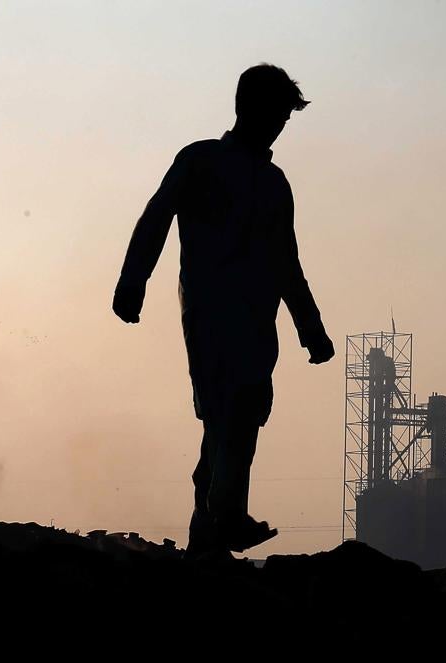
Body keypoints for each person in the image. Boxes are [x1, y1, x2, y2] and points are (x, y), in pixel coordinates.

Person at [112, 64, 334, 559]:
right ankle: (227, 515)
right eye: (277, 114)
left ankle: (208, 534)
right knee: (229, 411)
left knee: (235, 419)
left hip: (256, 322)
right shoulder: (200, 161)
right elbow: (156, 217)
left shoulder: (274, 184)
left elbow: (286, 262)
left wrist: (310, 329)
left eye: (285, 118)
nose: (280, 126)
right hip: (211, 314)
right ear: (250, 109)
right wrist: (133, 281)